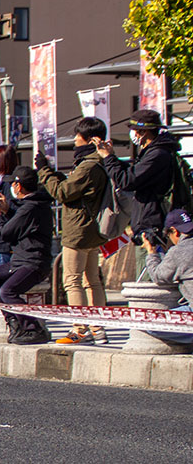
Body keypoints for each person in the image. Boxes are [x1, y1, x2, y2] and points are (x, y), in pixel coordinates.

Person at [37, 117, 109, 345]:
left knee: (72, 280)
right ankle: (98, 327)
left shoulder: (88, 165)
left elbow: (63, 192)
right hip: (92, 228)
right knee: (92, 280)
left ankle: (80, 328)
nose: (75, 140)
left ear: (90, 139)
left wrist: (44, 172)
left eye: (78, 136)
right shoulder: (101, 161)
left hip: (78, 229)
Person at [96, 109, 183, 279]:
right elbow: (132, 175)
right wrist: (112, 157)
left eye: (135, 130)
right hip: (151, 223)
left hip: (152, 227)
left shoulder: (157, 155)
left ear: (143, 132)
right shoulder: (156, 152)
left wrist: (108, 158)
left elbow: (127, 181)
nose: (133, 134)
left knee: (149, 284)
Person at [0, 166, 54, 345]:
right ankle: (13, 321)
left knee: (8, 291)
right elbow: (21, 227)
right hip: (21, 260)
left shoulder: (31, 207)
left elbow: (5, 233)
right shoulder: (31, 206)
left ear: (19, 187)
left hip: (33, 262)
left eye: (13, 183)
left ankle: (33, 328)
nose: (11, 186)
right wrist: (7, 211)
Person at [142, 209, 193, 346]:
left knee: (147, 323)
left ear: (174, 231)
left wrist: (151, 253)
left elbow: (158, 276)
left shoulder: (178, 251)